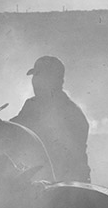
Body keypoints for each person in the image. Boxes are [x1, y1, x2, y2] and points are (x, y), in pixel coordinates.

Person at [10, 55, 92, 183]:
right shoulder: (32, 104)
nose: (35, 81)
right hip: (41, 181)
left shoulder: (72, 114)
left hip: (64, 186)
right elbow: (13, 128)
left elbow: (68, 162)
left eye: (41, 76)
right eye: (35, 76)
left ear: (56, 80)